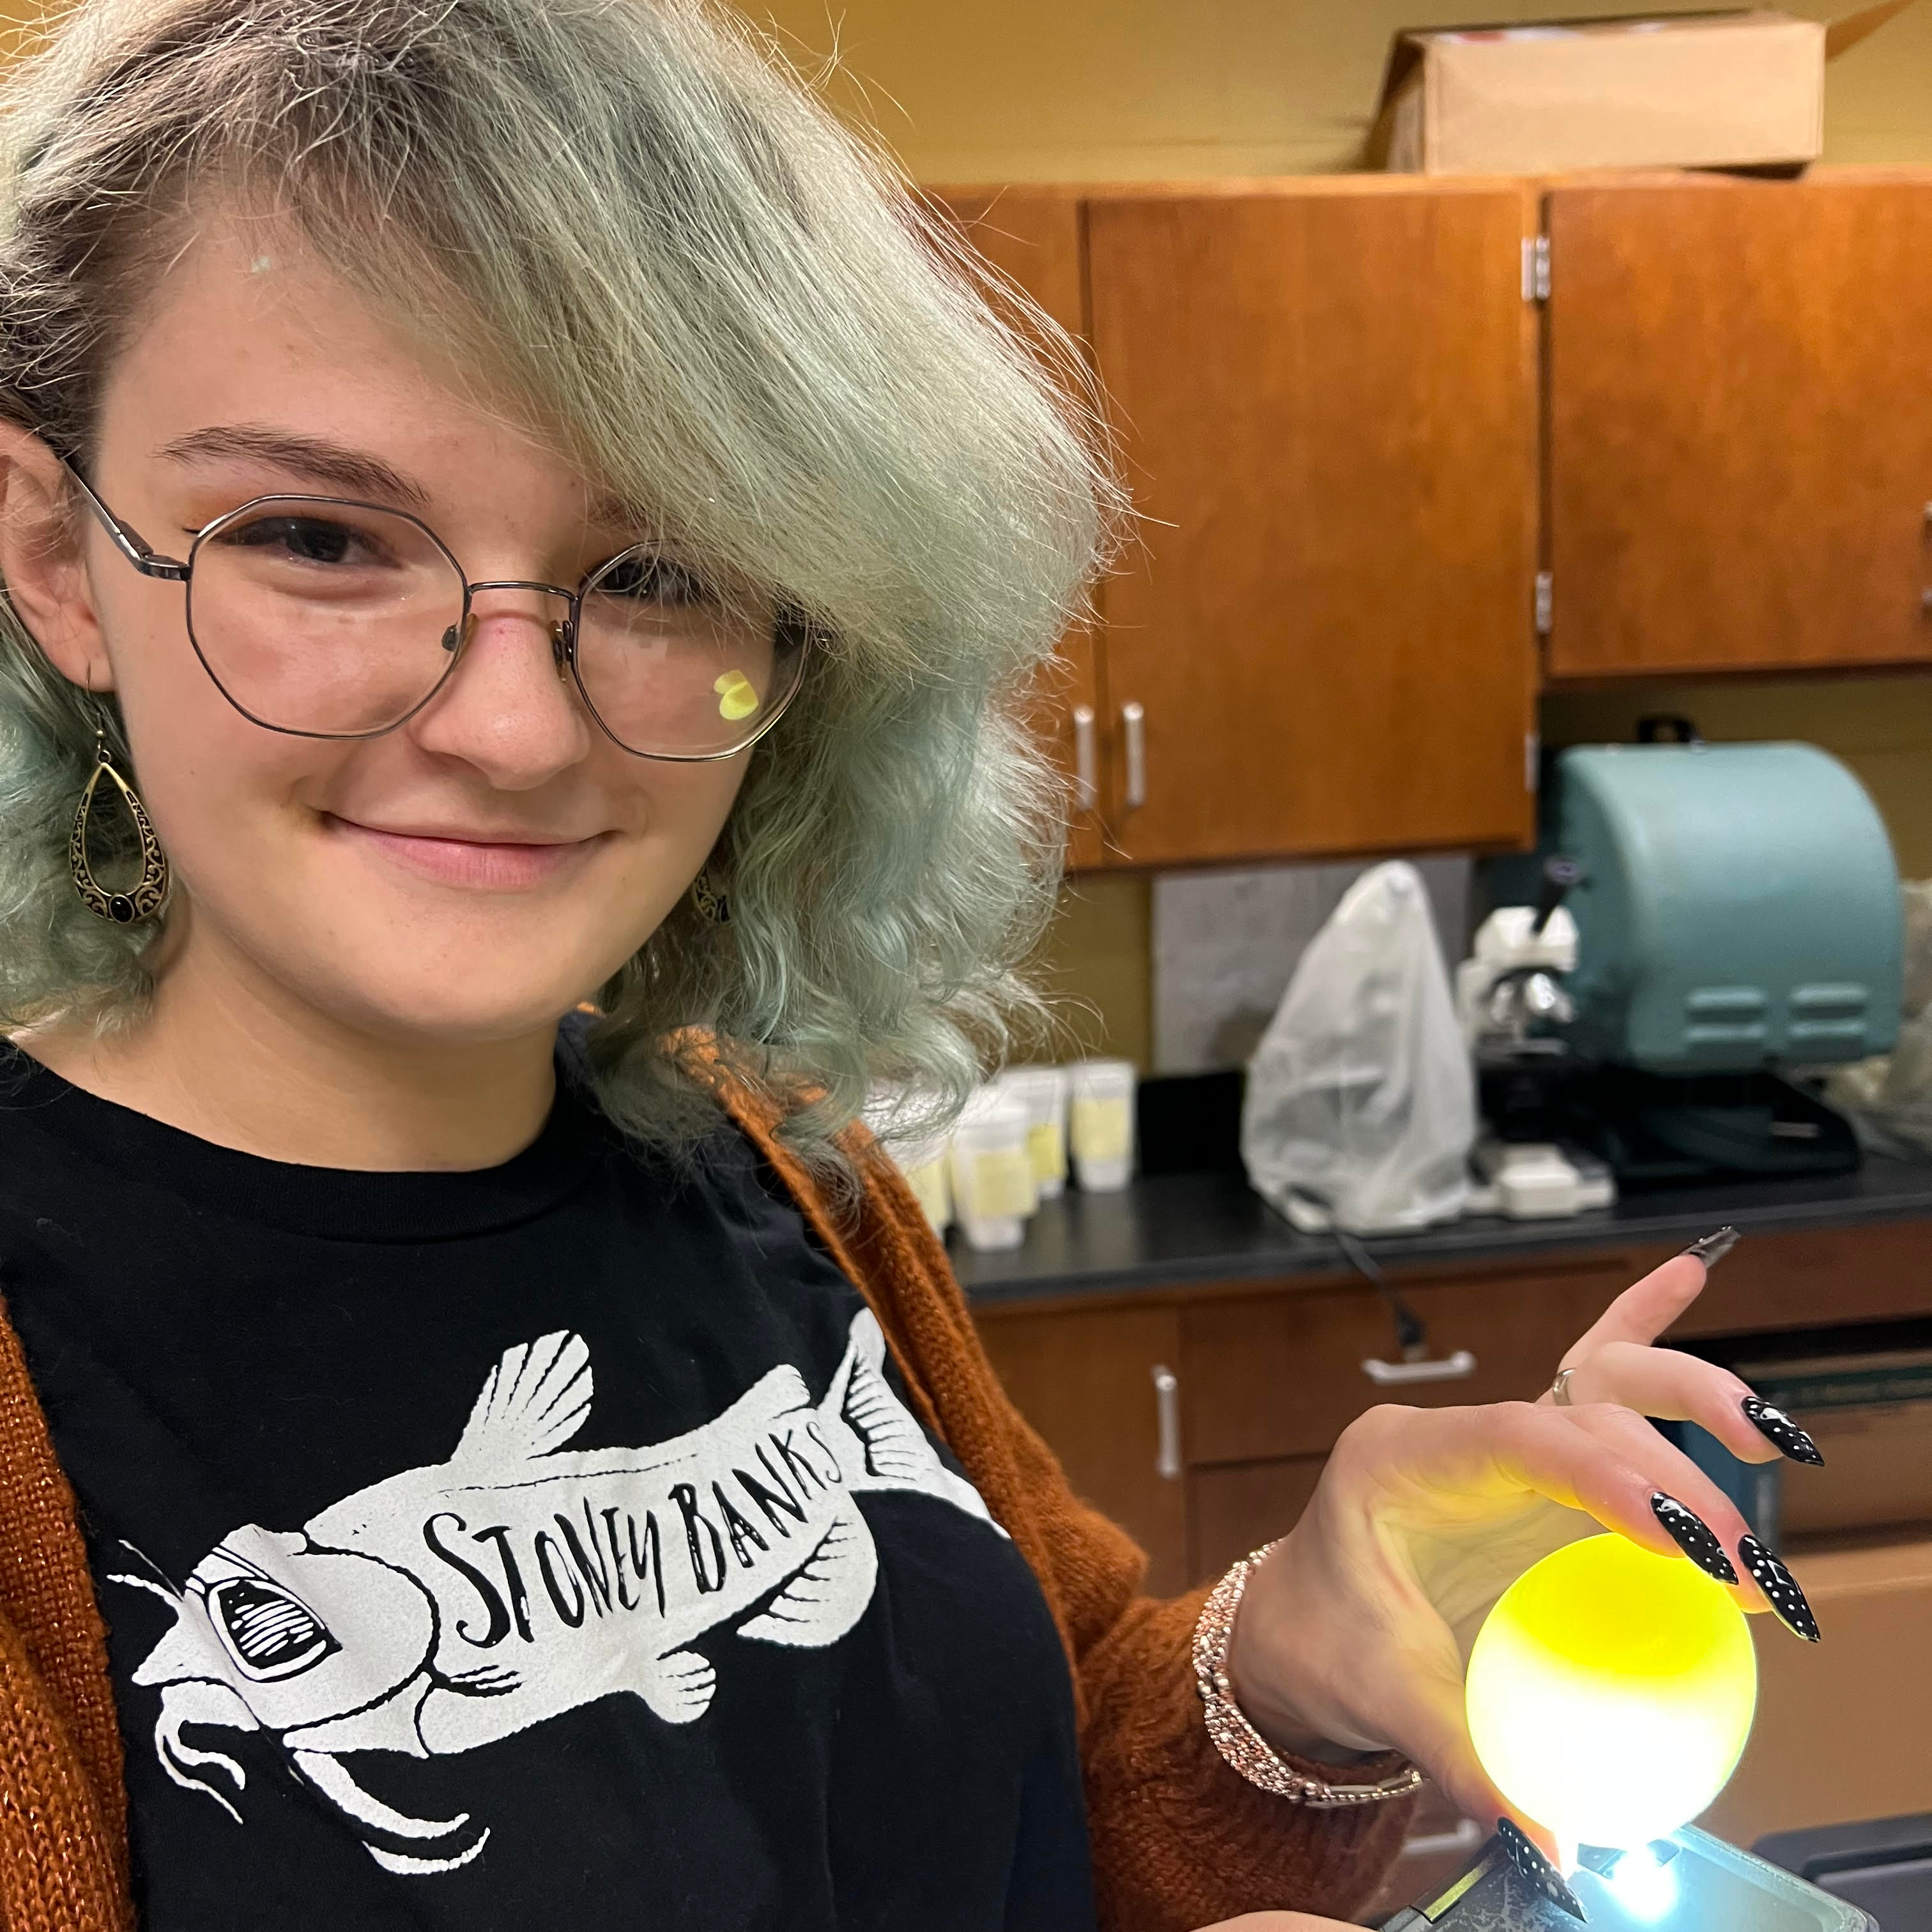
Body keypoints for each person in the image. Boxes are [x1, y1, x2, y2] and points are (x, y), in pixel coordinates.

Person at [0, 1, 1823, 1927]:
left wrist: (1298, 1649)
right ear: (56, 559)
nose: (519, 730)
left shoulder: (776, 1169)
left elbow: (1025, 1787)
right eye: (317, 535)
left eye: (658, 570)